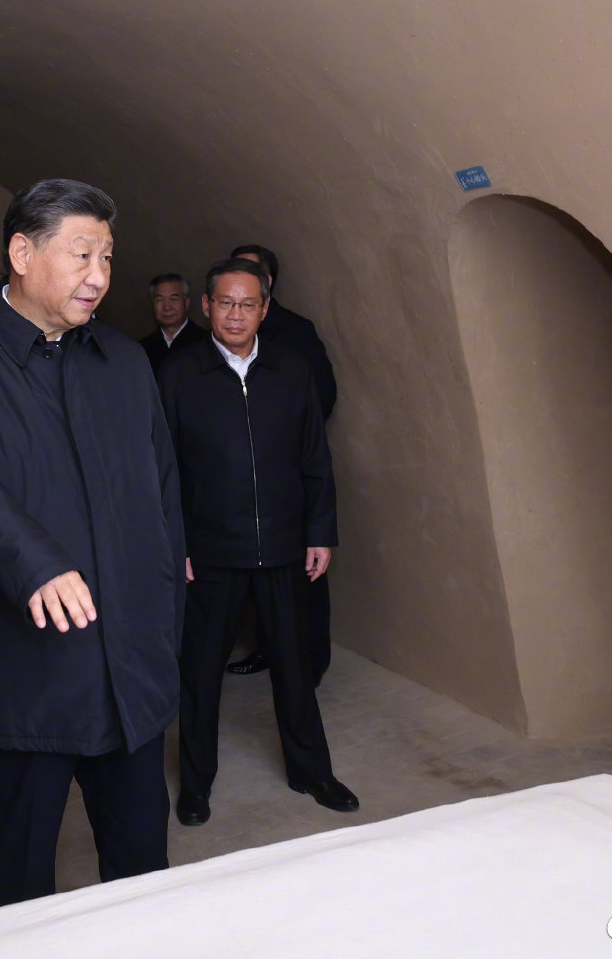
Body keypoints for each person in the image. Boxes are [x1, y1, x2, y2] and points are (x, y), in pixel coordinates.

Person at [0, 179, 185, 912]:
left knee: (143, 876)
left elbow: (162, 490)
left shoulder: (123, 360)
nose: (99, 275)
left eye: (107, 257)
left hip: (130, 673)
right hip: (28, 674)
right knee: (14, 884)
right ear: (22, 253)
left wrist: (165, 620)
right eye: (81, 253)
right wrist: (35, 563)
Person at [158, 256, 357, 826]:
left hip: (285, 548)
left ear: (265, 309)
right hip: (210, 553)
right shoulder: (177, 374)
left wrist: (319, 532)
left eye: (248, 304)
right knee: (200, 674)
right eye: (225, 302)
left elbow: (315, 457)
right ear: (206, 306)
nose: (236, 314)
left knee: (294, 666)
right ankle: (196, 784)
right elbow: (160, 468)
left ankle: (311, 770)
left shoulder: (291, 369)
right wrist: (177, 543)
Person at [225, 243, 338, 680]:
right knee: (257, 581)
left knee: (305, 578)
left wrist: (277, 441)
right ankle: (267, 650)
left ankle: (311, 663)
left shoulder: (295, 331)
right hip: (241, 485)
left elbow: (320, 400)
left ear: (268, 284)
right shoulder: (222, 334)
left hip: (287, 478)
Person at [139, 272, 208, 372]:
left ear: (187, 303)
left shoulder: (206, 343)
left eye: (174, 299)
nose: (167, 307)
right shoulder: (141, 348)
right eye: (160, 300)